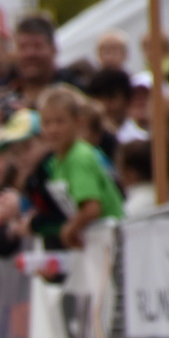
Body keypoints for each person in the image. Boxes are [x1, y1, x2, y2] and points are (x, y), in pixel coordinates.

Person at [38, 87, 125, 249]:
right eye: (47, 123)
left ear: (77, 122)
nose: (53, 129)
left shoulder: (79, 156)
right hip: (96, 241)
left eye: (60, 121)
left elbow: (92, 208)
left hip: (111, 240)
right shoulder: (57, 162)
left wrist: (69, 230)